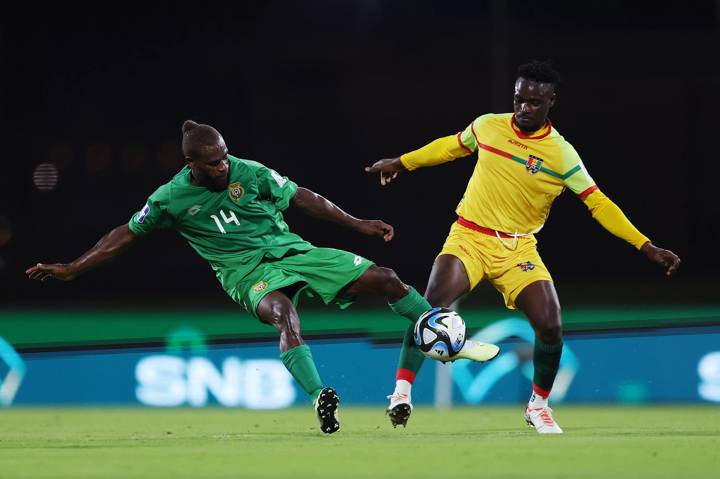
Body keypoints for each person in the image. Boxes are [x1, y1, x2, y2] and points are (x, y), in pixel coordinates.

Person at [26, 120, 498, 435]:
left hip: (291, 251)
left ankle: (442, 332)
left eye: (225, 156)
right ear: (191, 164)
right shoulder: (170, 198)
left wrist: (358, 224)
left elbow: (303, 198)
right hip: (244, 272)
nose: (223, 165)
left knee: (387, 278)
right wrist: (72, 268)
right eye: (213, 162)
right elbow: (122, 237)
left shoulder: (247, 171)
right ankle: (320, 397)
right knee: (285, 316)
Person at [365, 60, 681, 434]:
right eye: (519, 99)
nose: (524, 108)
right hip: (469, 236)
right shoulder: (488, 126)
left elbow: (599, 203)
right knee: (428, 307)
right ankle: (402, 393)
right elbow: (448, 148)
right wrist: (401, 162)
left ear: (551, 101)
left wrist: (644, 245)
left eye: (534, 102)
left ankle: (539, 406)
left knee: (551, 326)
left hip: (519, 250)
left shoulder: (561, 154)